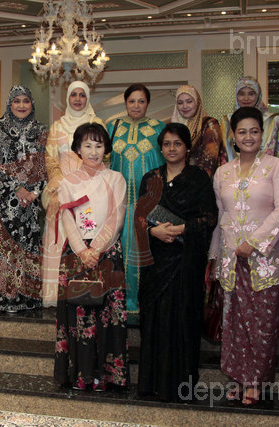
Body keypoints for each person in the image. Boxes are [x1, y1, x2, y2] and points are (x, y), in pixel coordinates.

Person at [209, 107, 279, 406]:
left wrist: (254, 242)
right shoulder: (222, 172)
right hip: (231, 259)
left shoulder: (275, 166)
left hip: (265, 260)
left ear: (262, 134)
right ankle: (238, 377)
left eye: (254, 131)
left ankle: (255, 382)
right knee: (234, 322)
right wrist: (215, 256)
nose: (248, 137)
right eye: (242, 131)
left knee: (262, 323)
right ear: (233, 136)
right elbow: (221, 215)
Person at [134, 122, 218, 401]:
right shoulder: (150, 178)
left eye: (177, 143)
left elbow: (209, 218)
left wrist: (181, 229)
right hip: (156, 263)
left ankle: (181, 387)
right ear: (161, 148)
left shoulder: (198, 178)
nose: (172, 148)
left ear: (187, 148)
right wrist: (153, 231)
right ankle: (152, 384)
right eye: (167, 144)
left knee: (183, 320)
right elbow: (140, 218)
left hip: (185, 262)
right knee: (154, 319)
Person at [54, 123, 128, 391]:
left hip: (107, 252)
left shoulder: (116, 179)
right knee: (78, 316)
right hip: (76, 254)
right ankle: (81, 375)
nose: (94, 151)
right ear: (78, 149)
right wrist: (82, 250)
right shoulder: (67, 182)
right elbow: (67, 218)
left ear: (106, 148)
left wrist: (96, 249)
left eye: (99, 145)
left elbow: (116, 217)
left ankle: (107, 377)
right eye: (88, 145)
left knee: (108, 315)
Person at [42, 81, 104, 307]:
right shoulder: (57, 127)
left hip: (90, 191)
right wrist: (64, 186)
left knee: (86, 237)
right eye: (73, 95)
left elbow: (103, 157)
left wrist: (87, 184)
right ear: (68, 98)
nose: (78, 99)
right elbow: (51, 161)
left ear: (88, 98)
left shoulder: (97, 124)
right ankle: (57, 294)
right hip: (63, 192)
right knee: (61, 239)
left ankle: (86, 290)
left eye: (82, 95)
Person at [0, 85, 47, 313]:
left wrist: (35, 193)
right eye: (16, 101)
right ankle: (5, 297)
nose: (21, 105)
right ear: (9, 104)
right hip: (5, 198)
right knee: (6, 246)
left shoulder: (41, 129)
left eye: (26, 101)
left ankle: (28, 297)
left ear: (32, 104)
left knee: (28, 245)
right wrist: (18, 188)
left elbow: (44, 165)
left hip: (31, 202)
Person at [108, 83, 165, 313]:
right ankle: (121, 306)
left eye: (141, 101)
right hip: (119, 206)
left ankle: (147, 306)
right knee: (119, 254)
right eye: (132, 101)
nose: (136, 105)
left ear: (148, 103)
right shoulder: (113, 127)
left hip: (149, 206)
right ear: (125, 103)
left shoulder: (159, 128)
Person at [220, 76, 279, 162]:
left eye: (251, 94)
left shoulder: (271, 120)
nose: (246, 98)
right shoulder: (228, 121)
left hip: (266, 167)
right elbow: (224, 152)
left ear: (258, 95)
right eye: (242, 94)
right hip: (233, 168)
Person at [170, 85, 224, 177]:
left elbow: (209, 161)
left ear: (197, 102)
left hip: (201, 181)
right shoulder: (174, 128)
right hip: (178, 180)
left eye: (189, 101)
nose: (185, 106)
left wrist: (195, 182)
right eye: (180, 103)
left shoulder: (209, 124)